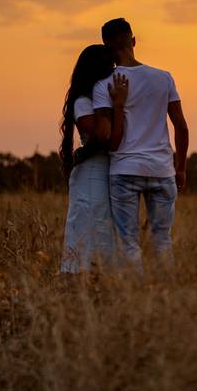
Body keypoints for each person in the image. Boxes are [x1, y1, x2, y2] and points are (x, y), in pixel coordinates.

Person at [93, 18, 189, 274]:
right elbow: (181, 127)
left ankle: (135, 292)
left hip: (124, 169)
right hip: (162, 170)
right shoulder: (163, 78)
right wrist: (180, 168)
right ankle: (166, 291)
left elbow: (107, 137)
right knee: (162, 239)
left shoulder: (104, 85)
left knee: (129, 241)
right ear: (133, 41)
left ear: (106, 47)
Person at [58, 44, 129, 273]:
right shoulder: (83, 102)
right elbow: (102, 137)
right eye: (109, 66)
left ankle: (99, 277)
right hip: (91, 173)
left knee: (102, 226)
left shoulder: (102, 99)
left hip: (105, 169)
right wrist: (117, 106)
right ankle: (82, 277)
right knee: (89, 225)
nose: (114, 70)